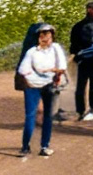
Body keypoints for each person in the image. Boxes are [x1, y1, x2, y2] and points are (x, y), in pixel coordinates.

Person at [16, 22, 69, 157]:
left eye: (48, 35)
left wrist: (55, 72)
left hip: (49, 85)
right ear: (38, 37)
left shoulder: (56, 48)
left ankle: (44, 146)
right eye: (42, 35)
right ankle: (25, 146)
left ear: (52, 36)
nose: (45, 38)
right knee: (30, 116)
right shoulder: (32, 52)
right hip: (32, 86)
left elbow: (62, 65)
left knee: (47, 116)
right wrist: (32, 77)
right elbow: (22, 69)